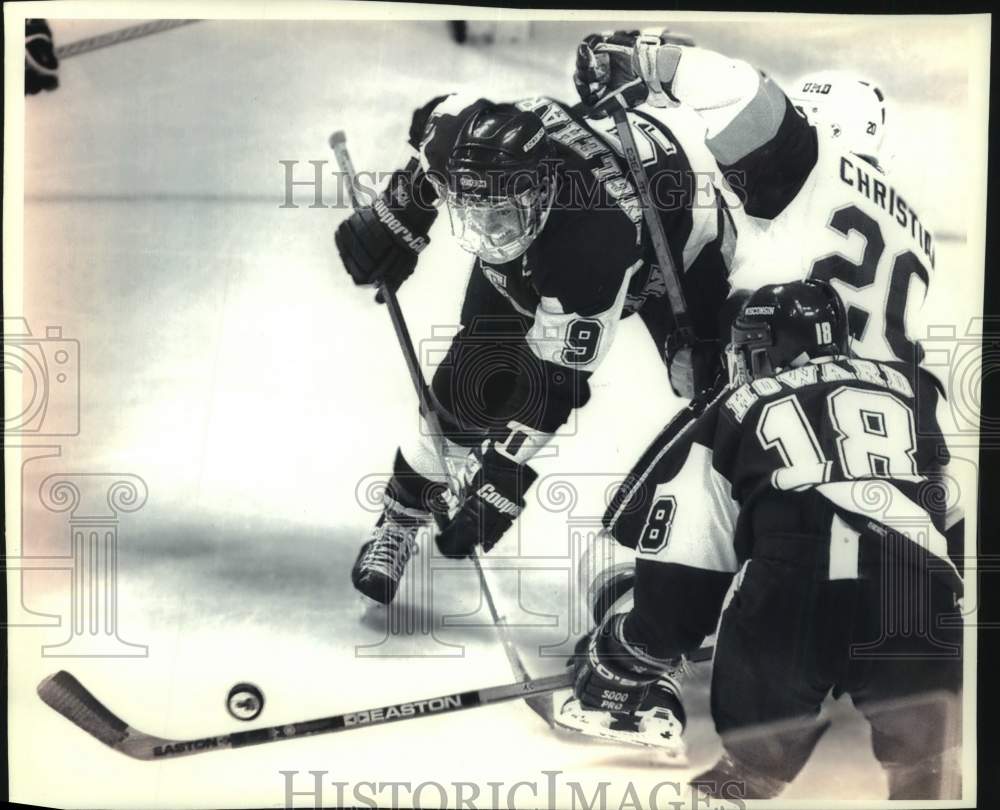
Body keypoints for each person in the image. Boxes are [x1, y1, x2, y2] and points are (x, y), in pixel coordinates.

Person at [334, 92, 737, 608]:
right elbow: (430, 128)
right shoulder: (461, 135)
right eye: (474, 212)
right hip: (570, 231)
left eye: (501, 213)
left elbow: (552, 386)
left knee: (712, 386)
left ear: (539, 186)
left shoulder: (594, 241)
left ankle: (731, 541)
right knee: (469, 384)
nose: (492, 232)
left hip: (680, 252)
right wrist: (401, 213)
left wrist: (502, 481)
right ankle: (400, 517)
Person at [568, 278, 962, 799]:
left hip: (792, 592)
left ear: (772, 344)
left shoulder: (734, 408)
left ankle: (749, 773)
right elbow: (955, 523)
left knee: (748, 775)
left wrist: (628, 653)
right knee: (928, 771)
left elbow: (687, 575)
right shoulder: (918, 388)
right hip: (914, 592)